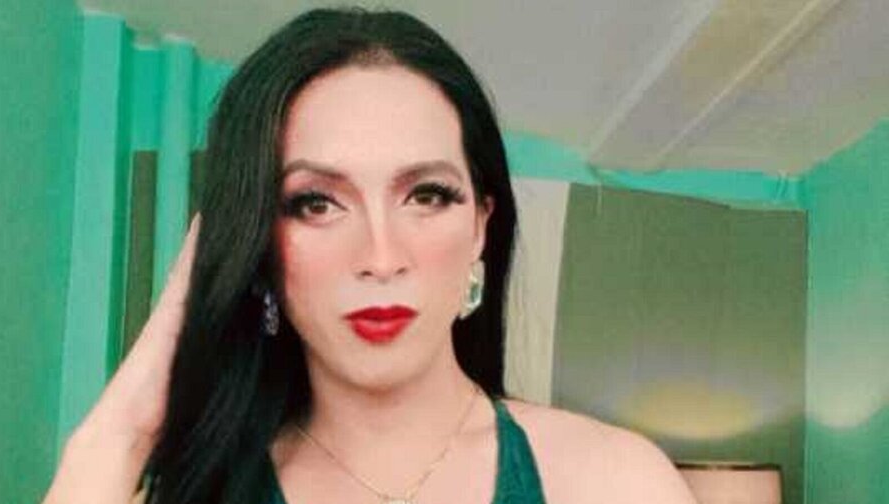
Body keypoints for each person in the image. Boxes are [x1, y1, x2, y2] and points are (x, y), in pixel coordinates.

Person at [43, 7, 697, 504]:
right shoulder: (201, 493)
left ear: (480, 227)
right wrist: (123, 430)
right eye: (316, 203)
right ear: (258, 240)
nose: (381, 258)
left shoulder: (614, 481)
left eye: (427, 195)